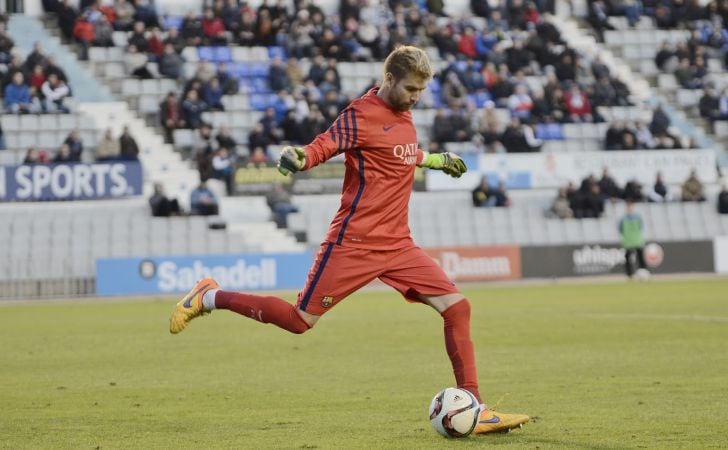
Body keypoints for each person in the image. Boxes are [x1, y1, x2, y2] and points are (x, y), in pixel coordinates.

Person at [168, 46, 529, 434]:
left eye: (421, 91)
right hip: (353, 244)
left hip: (398, 245)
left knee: (457, 308)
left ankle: (474, 406)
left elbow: (399, 153)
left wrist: (436, 160)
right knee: (299, 321)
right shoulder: (360, 114)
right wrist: (301, 158)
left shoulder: (405, 116)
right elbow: (325, 144)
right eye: (410, 89)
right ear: (388, 79)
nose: (415, 98)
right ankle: (209, 296)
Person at [619, 200, 648, 279]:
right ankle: (629, 275)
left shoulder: (638, 217)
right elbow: (621, 229)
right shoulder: (622, 219)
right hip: (628, 241)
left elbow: (640, 227)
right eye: (628, 207)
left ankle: (644, 273)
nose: (629, 208)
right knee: (628, 258)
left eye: (631, 206)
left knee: (640, 258)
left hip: (637, 240)